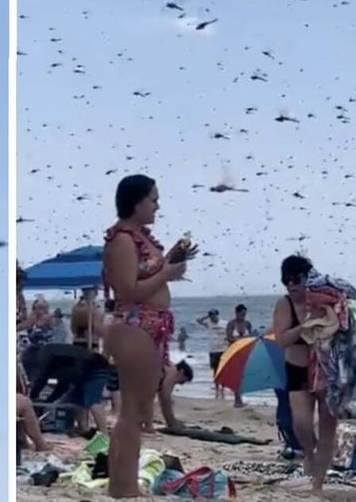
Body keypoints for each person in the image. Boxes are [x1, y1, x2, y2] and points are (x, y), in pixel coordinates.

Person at [101, 174, 197, 499]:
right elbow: (127, 289)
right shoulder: (122, 240)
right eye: (153, 199)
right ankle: (124, 487)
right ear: (136, 201)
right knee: (134, 412)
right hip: (134, 323)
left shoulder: (137, 237)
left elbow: (145, 273)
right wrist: (168, 273)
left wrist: (171, 260)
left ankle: (122, 484)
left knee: (138, 410)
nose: (158, 205)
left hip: (148, 325)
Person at [272, 254, 337, 493]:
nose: (291, 285)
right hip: (297, 367)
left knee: (329, 425)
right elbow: (281, 339)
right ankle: (310, 452)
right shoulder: (285, 304)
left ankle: (318, 484)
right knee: (301, 424)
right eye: (286, 280)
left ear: (307, 278)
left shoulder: (323, 299)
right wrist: (307, 325)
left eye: (296, 279)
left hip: (326, 369)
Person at [18, 296, 56, 379]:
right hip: (31, 357)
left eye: (45, 309)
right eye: (39, 308)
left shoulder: (53, 324)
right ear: (34, 310)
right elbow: (27, 340)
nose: (42, 312)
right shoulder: (28, 323)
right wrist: (37, 326)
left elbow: (57, 338)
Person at [151, 360, 194, 430]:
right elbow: (165, 398)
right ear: (181, 371)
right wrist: (171, 422)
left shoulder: (168, 366)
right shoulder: (172, 373)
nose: (181, 384)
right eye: (183, 381)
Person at [198, 309, 228, 399]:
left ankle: (223, 386)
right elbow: (198, 320)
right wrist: (207, 316)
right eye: (211, 316)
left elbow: (230, 331)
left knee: (222, 369)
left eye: (213, 315)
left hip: (223, 349)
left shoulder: (224, 323)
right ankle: (217, 386)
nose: (212, 317)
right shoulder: (209, 323)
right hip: (213, 350)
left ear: (217, 315)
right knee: (215, 369)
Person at [227, 304, 252, 408]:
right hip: (234, 352)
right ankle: (237, 399)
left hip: (245, 352)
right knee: (236, 376)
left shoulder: (248, 324)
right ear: (236, 313)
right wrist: (240, 341)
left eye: (244, 314)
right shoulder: (231, 324)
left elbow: (251, 337)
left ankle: (240, 397)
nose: (243, 316)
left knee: (243, 376)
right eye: (241, 314)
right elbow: (229, 337)